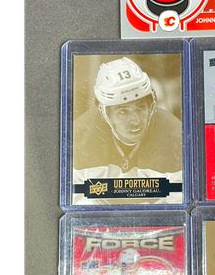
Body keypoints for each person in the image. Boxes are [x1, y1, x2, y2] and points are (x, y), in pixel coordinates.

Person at [72, 56, 182, 202]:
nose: (135, 121)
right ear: (103, 112)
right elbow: (75, 202)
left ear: (151, 105)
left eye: (140, 108)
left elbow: (178, 202)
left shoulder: (174, 135)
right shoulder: (78, 138)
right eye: (123, 111)